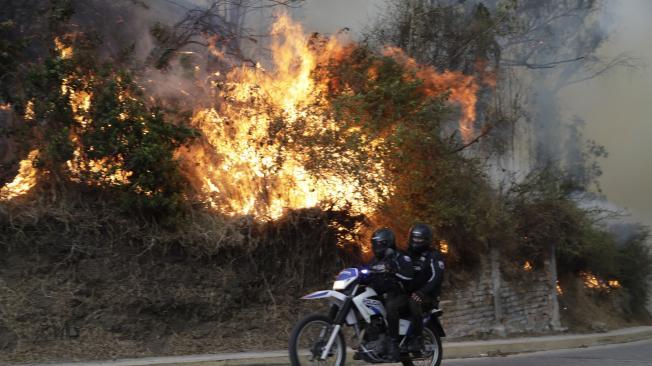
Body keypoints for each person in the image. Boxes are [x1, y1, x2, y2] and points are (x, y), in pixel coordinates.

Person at [367, 227, 414, 361]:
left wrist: (392, 271)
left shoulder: (401, 257)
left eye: (378, 244)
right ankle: (378, 339)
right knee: (368, 302)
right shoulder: (376, 259)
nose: (375, 247)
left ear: (387, 243)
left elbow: (408, 276)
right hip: (385, 294)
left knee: (391, 306)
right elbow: (367, 269)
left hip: (403, 294)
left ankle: (393, 344)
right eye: (374, 244)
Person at [405, 224, 445, 352]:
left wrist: (422, 292)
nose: (416, 241)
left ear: (427, 240)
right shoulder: (407, 255)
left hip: (427, 296)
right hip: (410, 292)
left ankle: (418, 338)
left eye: (420, 239)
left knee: (414, 301)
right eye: (414, 238)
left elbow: (436, 277)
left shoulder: (434, 256)